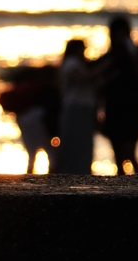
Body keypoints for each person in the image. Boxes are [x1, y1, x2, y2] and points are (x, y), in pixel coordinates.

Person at [97, 15, 138, 175]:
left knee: (130, 153)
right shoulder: (110, 57)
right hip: (115, 107)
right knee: (119, 155)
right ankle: (124, 190)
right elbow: (100, 83)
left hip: (131, 107)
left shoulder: (133, 54)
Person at [0, 65, 60, 174]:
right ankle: (51, 176)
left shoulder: (25, 88)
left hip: (23, 119)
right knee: (49, 150)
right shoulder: (44, 89)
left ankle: (31, 174)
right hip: (36, 119)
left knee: (31, 151)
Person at [56, 38, 105, 175]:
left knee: (81, 146)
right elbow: (81, 78)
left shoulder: (78, 63)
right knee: (76, 145)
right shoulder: (72, 63)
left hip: (82, 109)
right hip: (76, 109)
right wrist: (103, 68)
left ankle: (79, 173)